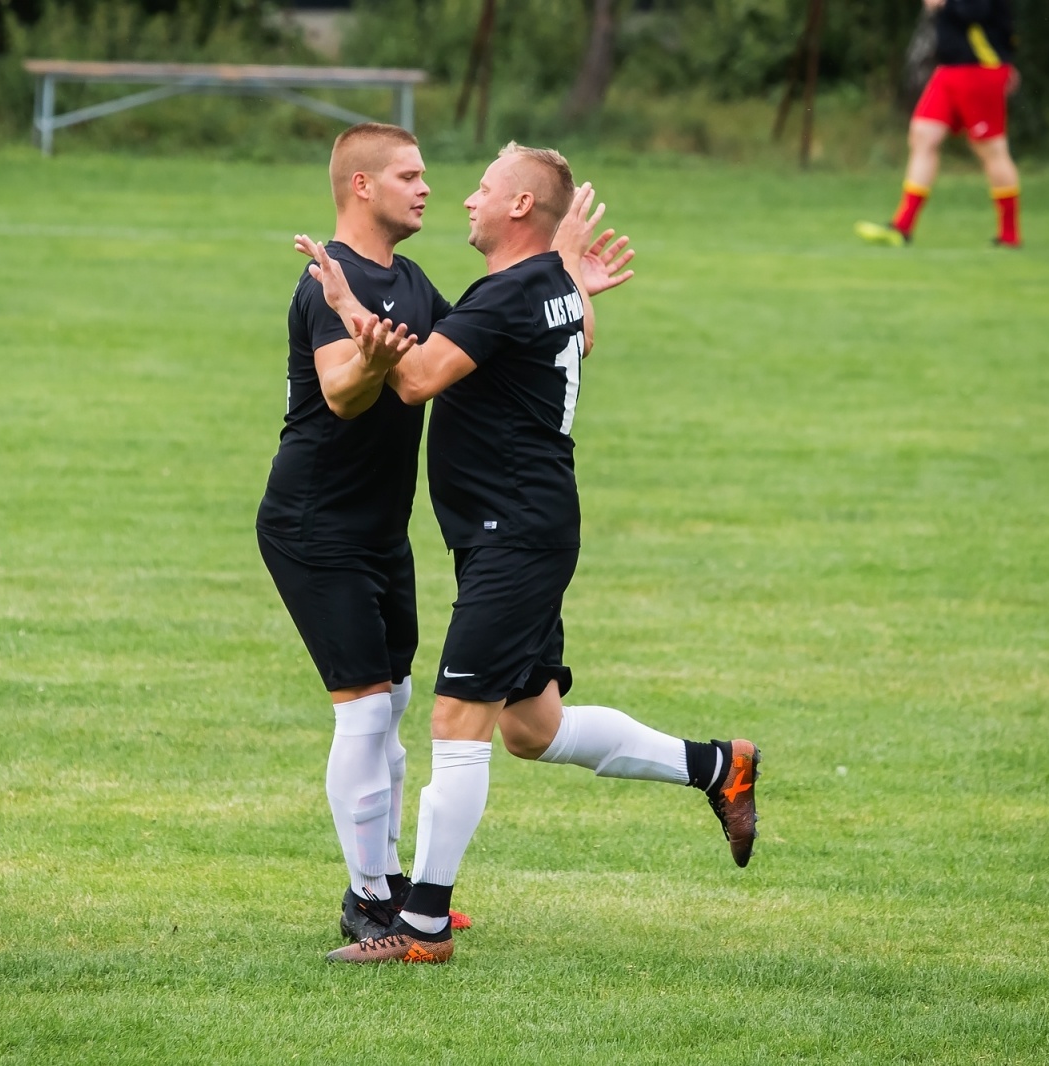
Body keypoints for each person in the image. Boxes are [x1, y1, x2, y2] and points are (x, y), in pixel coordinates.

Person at [296, 144, 760, 966]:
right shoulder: (546, 290)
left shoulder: (516, 290)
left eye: (482, 188)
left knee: (455, 721)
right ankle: (717, 766)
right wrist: (573, 278)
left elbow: (414, 381)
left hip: (512, 533)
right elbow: (572, 337)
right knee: (532, 726)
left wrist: (346, 306)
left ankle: (423, 926)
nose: (462, 199)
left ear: (518, 209)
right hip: (526, 529)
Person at [258, 124, 636, 946]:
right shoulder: (328, 279)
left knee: (390, 705)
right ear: (363, 186)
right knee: (364, 717)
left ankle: (393, 886)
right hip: (314, 524)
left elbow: (500, 340)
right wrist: (364, 341)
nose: (434, 188)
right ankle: (372, 903)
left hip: (382, 531)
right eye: (410, 174)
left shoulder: (415, 283)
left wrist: (567, 289)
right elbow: (340, 395)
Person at [857, 0, 1022, 248]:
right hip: (950, 70)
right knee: (923, 135)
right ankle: (902, 228)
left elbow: (978, 12)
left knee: (991, 150)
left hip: (978, 69)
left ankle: (1009, 235)